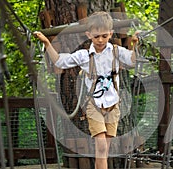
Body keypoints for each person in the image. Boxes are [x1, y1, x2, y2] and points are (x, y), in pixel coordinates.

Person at [34, 11, 138, 169]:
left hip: (113, 105)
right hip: (94, 105)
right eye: (96, 36)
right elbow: (60, 62)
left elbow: (132, 61)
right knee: (101, 146)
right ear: (88, 35)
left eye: (104, 35)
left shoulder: (117, 52)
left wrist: (136, 45)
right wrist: (47, 43)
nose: (100, 40)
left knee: (104, 150)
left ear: (110, 34)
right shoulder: (84, 56)